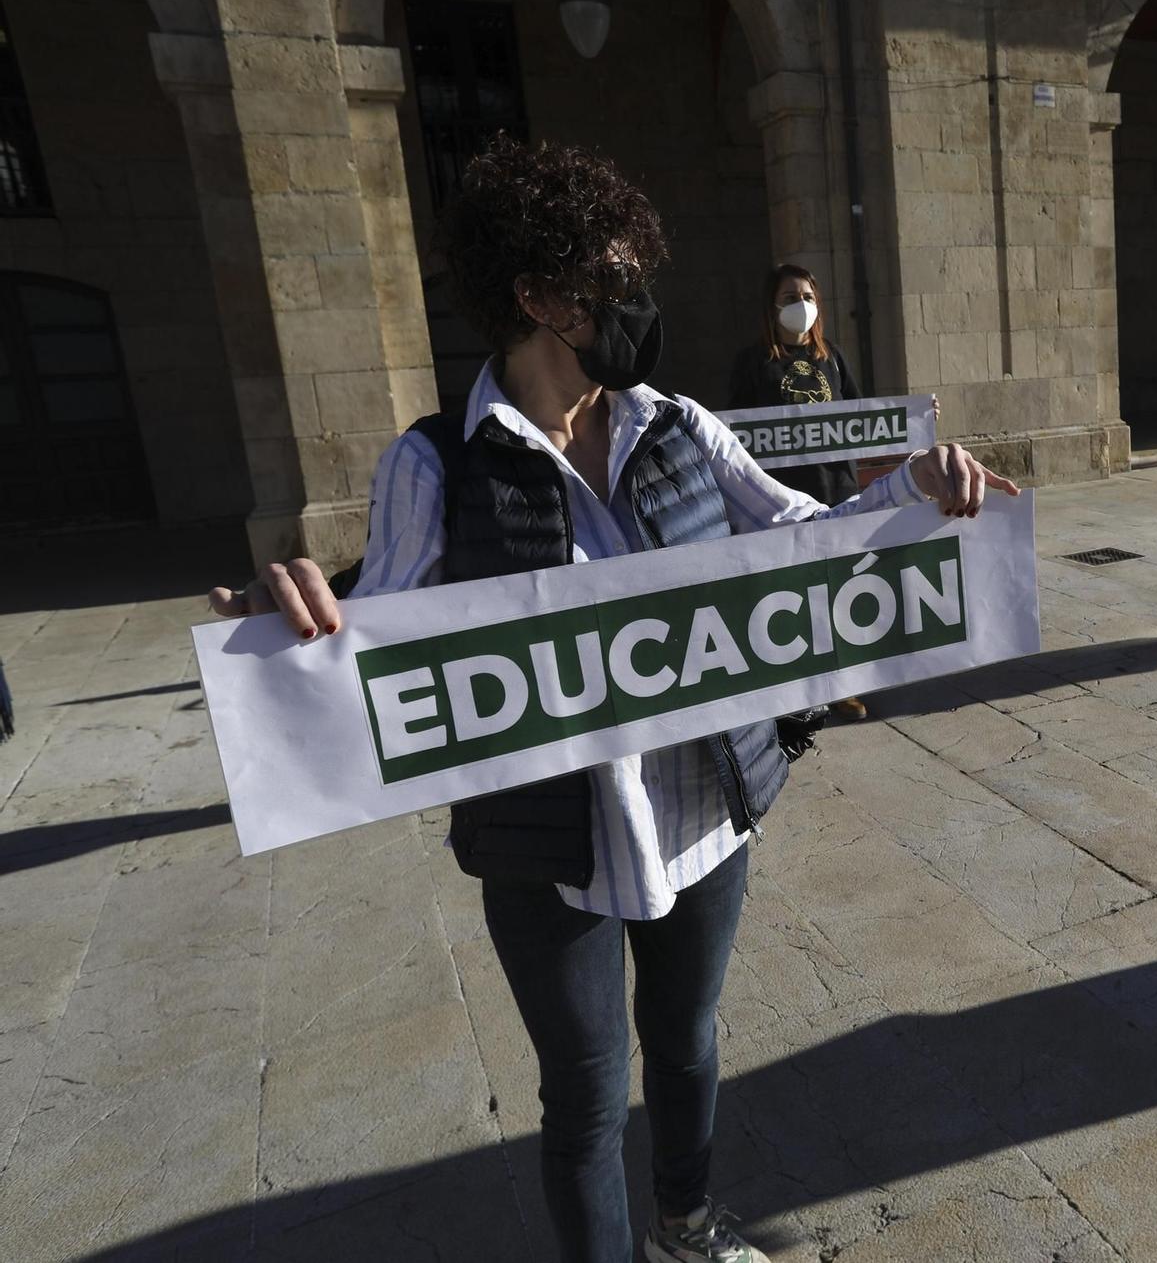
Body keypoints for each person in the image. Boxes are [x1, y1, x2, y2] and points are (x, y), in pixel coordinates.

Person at [207, 138, 1018, 1263]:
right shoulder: (436, 463)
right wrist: (287, 613)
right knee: (585, 1095)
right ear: (539, 298)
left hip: (700, 808)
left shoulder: (680, 424)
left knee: (685, 1041)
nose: (639, 305)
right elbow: (373, 623)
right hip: (549, 843)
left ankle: (685, 1227)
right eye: (616, 283)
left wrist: (910, 490)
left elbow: (795, 535)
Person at [729, 264, 869, 721]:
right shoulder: (753, 364)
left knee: (839, 589)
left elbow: (863, 418)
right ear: (772, 306)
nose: (800, 306)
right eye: (790, 297)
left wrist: (917, 418)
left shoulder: (833, 358)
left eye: (807, 296)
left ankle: (843, 682)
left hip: (837, 490)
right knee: (795, 593)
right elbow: (735, 436)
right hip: (784, 499)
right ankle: (800, 688)